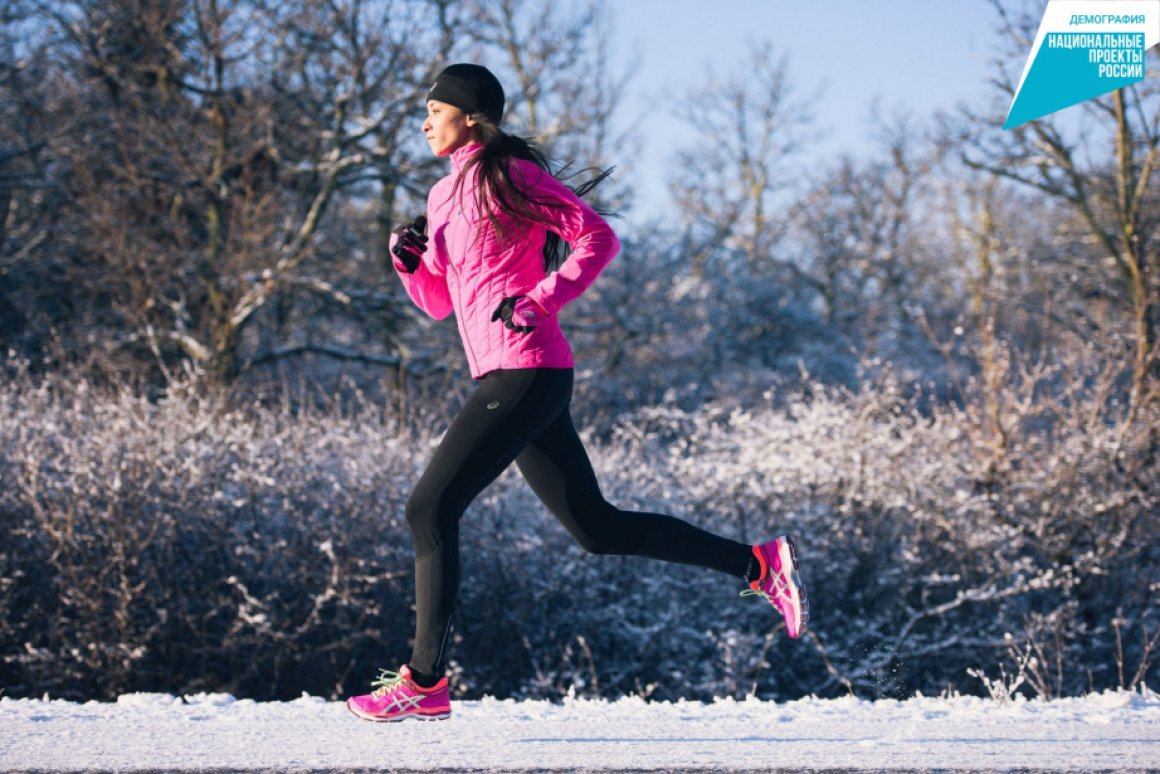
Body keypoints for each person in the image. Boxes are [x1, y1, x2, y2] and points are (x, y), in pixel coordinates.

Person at [345, 64, 808, 723]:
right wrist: (408, 262)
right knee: (596, 527)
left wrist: (540, 299)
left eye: (434, 109)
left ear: (470, 116)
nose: (423, 121)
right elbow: (440, 304)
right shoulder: (442, 195)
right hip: (503, 372)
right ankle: (760, 566)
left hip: (529, 367)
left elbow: (598, 236)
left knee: (430, 508)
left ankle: (424, 683)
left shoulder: (510, 175)